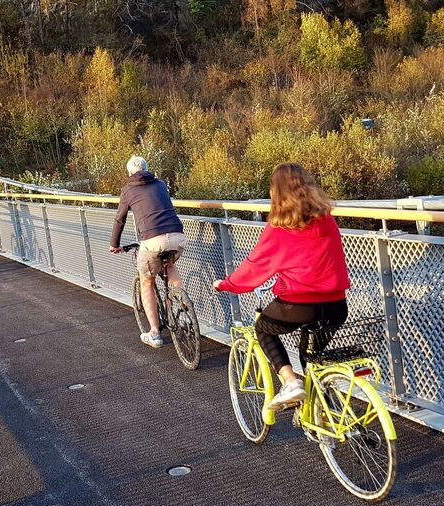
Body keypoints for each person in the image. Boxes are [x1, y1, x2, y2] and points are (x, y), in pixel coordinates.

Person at [213, 163, 351, 410]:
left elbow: (255, 266)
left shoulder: (280, 227)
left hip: (299, 305)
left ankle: (290, 382)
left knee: (263, 328)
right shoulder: (327, 220)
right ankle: (326, 411)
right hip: (336, 305)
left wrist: (227, 285)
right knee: (311, 358)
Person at [109, 156, 187, 348]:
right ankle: (183, 302)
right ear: (147, 168)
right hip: (178, 236)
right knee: (169, 265)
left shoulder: (128, 190)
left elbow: (120, 219)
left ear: (129, 173)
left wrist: (114, 244)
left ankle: (154, 333)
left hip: (152, 241)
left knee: (147, 281)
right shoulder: (160, 184)